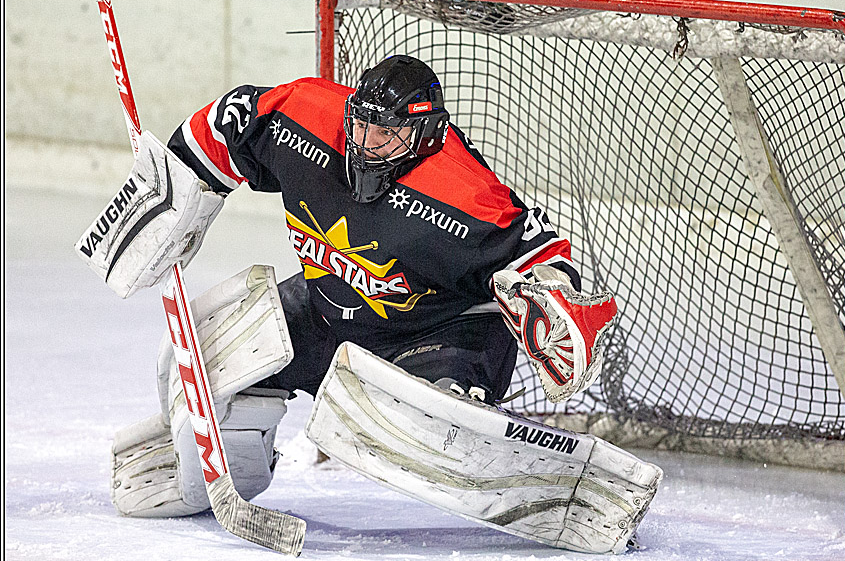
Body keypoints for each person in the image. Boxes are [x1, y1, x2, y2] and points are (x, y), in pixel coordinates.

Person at [163, 54, 615, 406]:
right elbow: (232, 119)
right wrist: (174, 184)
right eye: (359, 124)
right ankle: (228, 461)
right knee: (204, 361)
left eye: (385, 133)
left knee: (431, 413)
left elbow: (538, 255)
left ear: (426, 133)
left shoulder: (462, 191)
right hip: (328, 310)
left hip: (436, 333)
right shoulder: (306, 119)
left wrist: (554, 307)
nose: (364, 144)